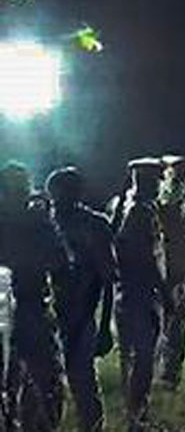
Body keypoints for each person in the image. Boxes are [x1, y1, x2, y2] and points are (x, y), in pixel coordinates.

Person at [46, 167, 117, 431]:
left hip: (80, 315)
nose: (59, 201)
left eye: (65, 193)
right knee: (46, 387)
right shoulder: (43, 223)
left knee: (83, 385)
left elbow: (107, 279)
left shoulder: (94, 226)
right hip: (46, 316)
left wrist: (104, 327)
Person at [0, 161, 65, 431]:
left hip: (31, 307)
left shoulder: (38, 222)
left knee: (44, 382)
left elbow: (60, 262)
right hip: (12, 309)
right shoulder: (35, 221)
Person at [113, 158, 173, 431]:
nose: (160, 185)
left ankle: (135, 416)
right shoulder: (140, 213)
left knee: (133, 358)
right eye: (157, 180)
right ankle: (136, 417)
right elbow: (147, 258)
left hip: (130, 294)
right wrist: (165, 293)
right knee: (144, 358)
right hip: (141, 295)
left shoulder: (131, 208)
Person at [155, 155, 185, 390]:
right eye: (176, 178)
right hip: (161, 278)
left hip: (184, 277)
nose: (182, 183)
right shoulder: (155, 208)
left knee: (179, 327)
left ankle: (171, 377)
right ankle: (149, 375)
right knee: (158, 326)